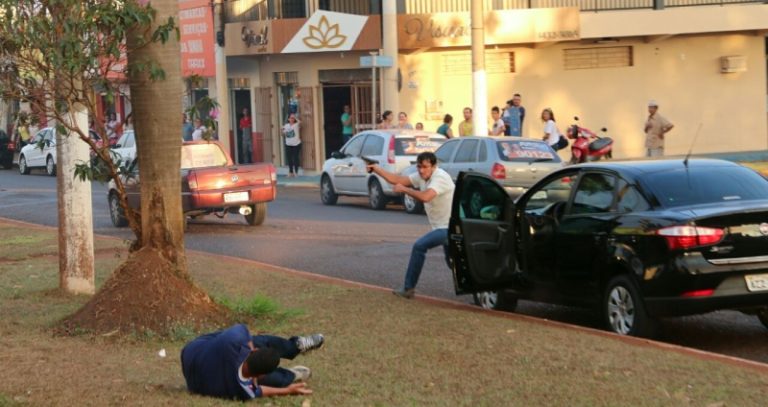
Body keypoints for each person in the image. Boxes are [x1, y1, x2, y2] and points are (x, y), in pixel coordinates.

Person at [367, 152, 455, 299]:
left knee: (419, 246)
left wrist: (405, 190)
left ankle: (408, 288)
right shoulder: (422, 176)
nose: (421, 170)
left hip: (448, 227)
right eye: (419, 167)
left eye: (425, 167)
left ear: (434, 166)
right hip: (442, 227)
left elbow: (426, 197)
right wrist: (376, 169)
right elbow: (397, 180)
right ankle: (480, 290)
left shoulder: (440, 177)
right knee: (453, 263)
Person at [181, 324, 324, 401]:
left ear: (253, 351)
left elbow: (243, 328)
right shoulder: (243, 390)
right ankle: (292, 372)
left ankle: (297, 346)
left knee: (254, 341)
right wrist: (288, 390)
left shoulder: (233, 340)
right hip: (196, 362)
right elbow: (260, 390)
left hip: (189, 354)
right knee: (261, 343)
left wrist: (287, 390)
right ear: (259, 376)